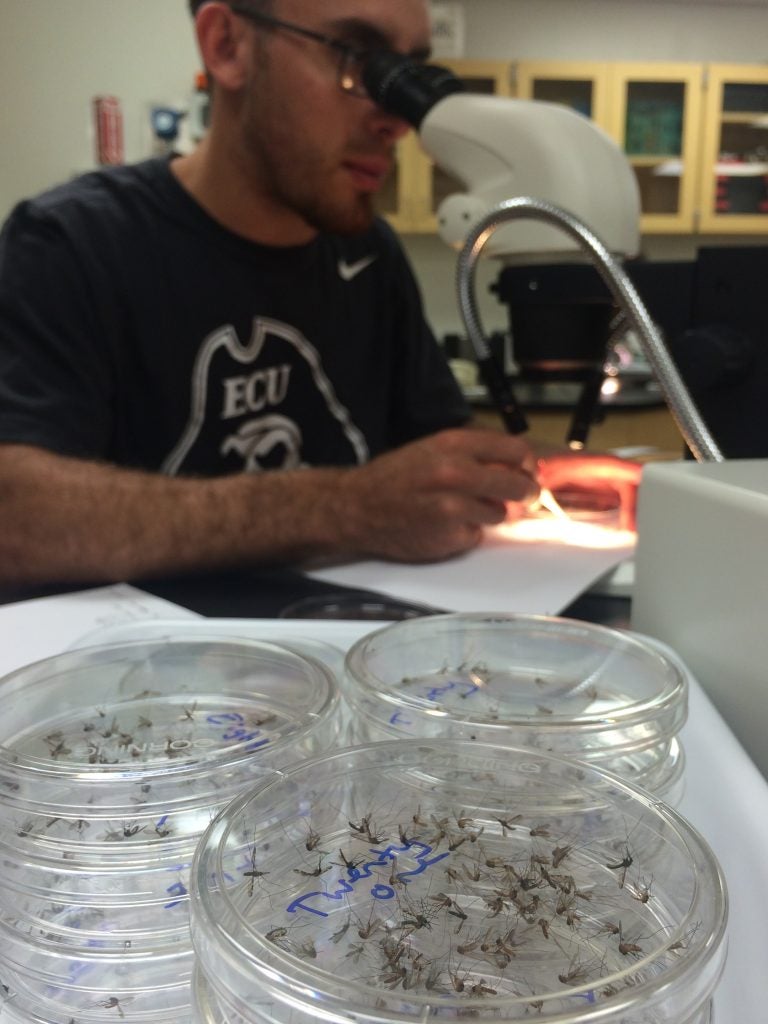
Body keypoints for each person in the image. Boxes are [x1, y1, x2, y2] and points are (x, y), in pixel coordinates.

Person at [0, 0, 639, 589]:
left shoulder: (368, 255)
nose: (395, 120)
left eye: (411, 73)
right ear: (227, 47)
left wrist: (582, 479)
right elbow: (18, 518)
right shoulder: (72, 243)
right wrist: (347, 508)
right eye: (358, 57)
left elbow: (438, 459)